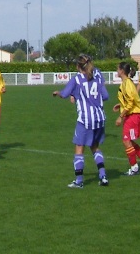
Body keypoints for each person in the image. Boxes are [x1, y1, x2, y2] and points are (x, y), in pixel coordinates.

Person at [53, 54, 109, 188]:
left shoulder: (77, 79)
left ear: (78, 66)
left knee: (79, 148)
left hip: (85, 119)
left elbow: (65, 94)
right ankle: (103, 176)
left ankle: (79, 181)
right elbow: (106, 96)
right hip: (100, 118)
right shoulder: (98, 74)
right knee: (95, 147)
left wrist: (58, 93)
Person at [114, 61, 140, 176]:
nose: (116, 71)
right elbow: (129, 100)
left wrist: (120, 116)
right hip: (131, 115)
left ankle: (134, 167)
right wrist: (120, 105)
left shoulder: (127, 84)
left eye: (117, 69)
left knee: (126, 141)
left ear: (121, 71)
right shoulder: (125, 83)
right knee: (128, 140)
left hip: (133, 116)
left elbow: (130, 102)